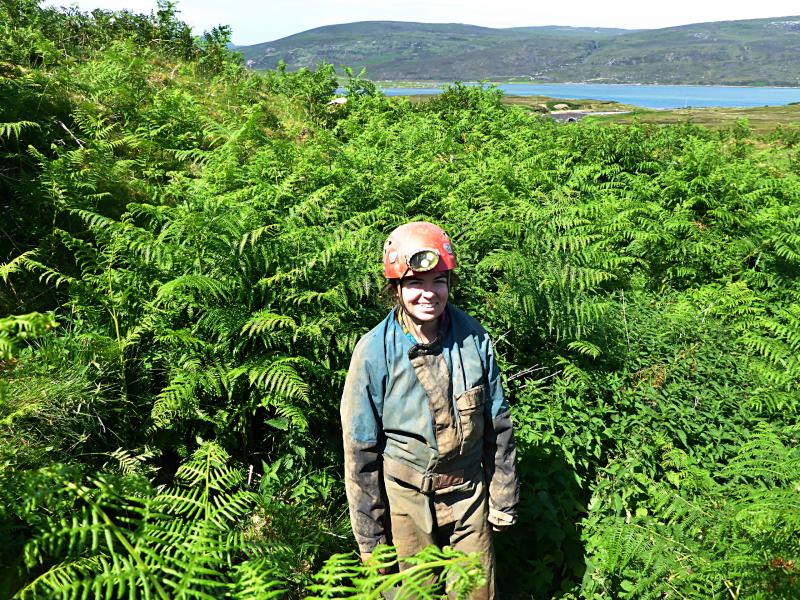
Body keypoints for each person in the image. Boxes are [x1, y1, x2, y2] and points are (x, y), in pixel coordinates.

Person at [340, 221, 519, 598]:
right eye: (415, 283)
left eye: (438, 281)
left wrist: (502, 496)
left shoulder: (474, 338)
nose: (428, 294)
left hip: (469, 491)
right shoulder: (373, 352)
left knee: (477, 590)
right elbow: (360, 455)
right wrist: (371, 540)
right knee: (412, 592)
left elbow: (498, 424)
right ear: (397, 289)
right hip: (406, 497)